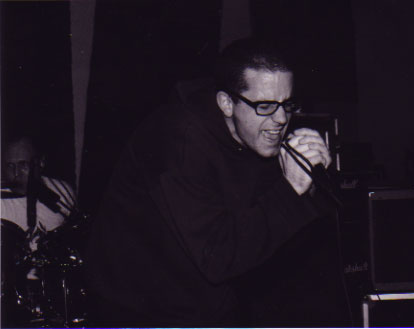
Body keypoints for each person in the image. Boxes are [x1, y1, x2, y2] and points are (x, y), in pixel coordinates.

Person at [85, 37, 345, 327]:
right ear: (226, 103)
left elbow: (269, 228)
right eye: (266, 106)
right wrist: (291, 190)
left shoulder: (253, 132)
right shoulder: (178, 142)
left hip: (207, 300)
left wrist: (311, 182)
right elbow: (219, 257)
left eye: (288, 104)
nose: (281, 118)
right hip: (139, 309)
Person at [1, 136, 76, 248]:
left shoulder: (63, 190)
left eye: (23, 164)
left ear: (41, 162)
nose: (16, 173)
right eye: (10, 166)